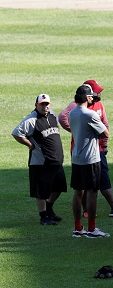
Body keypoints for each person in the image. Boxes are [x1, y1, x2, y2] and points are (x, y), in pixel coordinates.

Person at [59, 79, 113, 217]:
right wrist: (78, 131)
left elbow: (105, 123)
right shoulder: (82, 110)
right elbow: (63, 118)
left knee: (81, 188)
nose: (98, 94)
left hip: (85, 153)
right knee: (92, 188)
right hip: (91, 153)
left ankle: (79, 224)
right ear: (88, 94)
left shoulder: (87, 108)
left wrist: (103, 144)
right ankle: (94, 219)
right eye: (95, 92)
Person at [12, 94, 67, 225]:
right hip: (40, 162)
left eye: (47, 104)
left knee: (58, 187)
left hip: (56, 161)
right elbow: (16, 133)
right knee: (42, 191)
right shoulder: (31, 120)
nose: (45, 106)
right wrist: (30, 145)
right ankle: (43, 217)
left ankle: (48, 208)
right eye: (42, 104)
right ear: (36, 105)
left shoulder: (52, 115)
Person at [69, 84, 110, 238]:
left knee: (78, 192)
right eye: (91, 95)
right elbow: (105, 132)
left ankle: (78, 228)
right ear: (87, 97)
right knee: (92, 192)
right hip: (91, 158)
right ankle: (92, 229)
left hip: (76, 158)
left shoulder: (72, 113)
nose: (93, 97)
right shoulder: (90, 114)